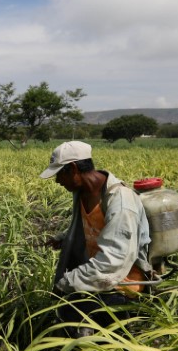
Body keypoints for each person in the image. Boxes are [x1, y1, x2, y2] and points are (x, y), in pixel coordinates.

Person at [40, 141, 151, 336]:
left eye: (60, 174)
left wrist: (65, 283)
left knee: (76, 326)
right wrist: (66, 238)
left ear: (73, 169)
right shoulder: (83, 193)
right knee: (65, 317)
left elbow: (112, 263)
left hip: (122, 283)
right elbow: (95, 227)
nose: (58, 181)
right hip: (98, 276)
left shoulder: (121, 203)